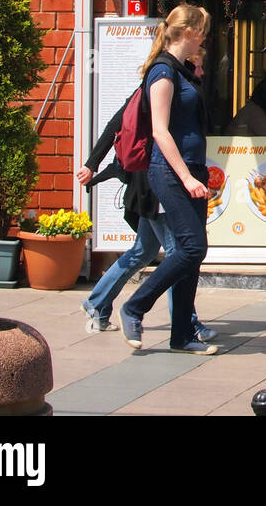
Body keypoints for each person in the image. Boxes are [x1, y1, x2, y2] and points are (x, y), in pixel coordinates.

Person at [77, 52, 215, 342]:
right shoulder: (159, 87)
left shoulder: (173, 89)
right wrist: (91, 164)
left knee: (144, 251)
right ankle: (186, 322)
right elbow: (114, 126)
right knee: (181, 251)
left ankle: (97, 302)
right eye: (198, 66)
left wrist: (92, 165)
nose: (201, 72)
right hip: (154, 187)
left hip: (148, 186)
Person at [118, 5, 218, 355]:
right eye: (201, 30)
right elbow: (160, 131)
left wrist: (196, 174)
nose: (204, 36)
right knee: (192, 247)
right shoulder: (163, 71)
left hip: (193, 168)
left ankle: (181, 336)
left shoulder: (185, 71)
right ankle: (134, 307)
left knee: (192, 254)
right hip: (170, 170)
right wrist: (187, 177)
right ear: (186, 31)